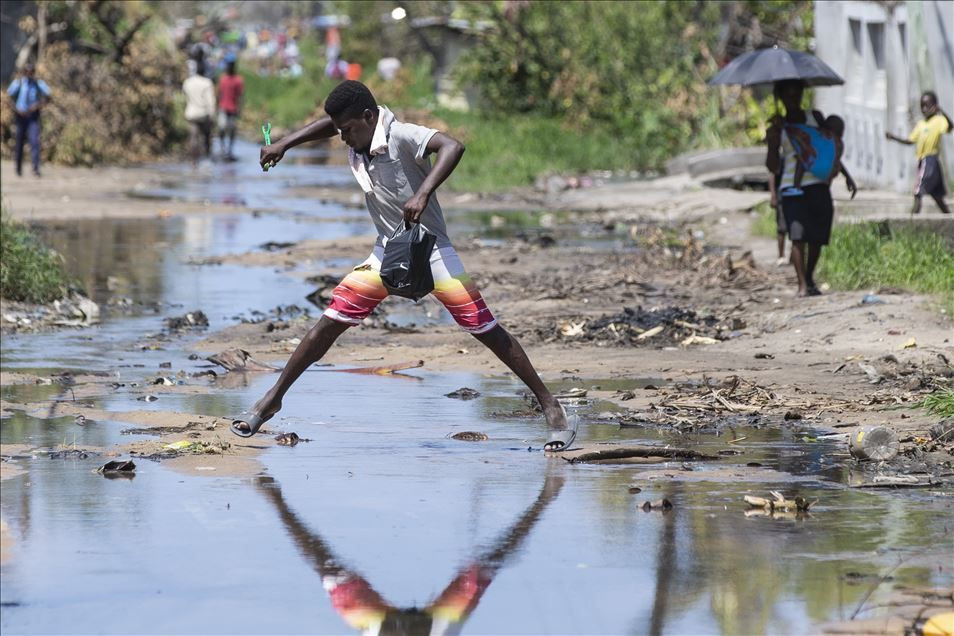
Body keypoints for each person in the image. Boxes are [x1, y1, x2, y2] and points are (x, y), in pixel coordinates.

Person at [232, 80, 574, 451]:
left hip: (431, 248)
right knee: (329, 323)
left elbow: (452, 146)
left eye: (347, 131)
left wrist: (423, 192)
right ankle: (272, 399)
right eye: (339, 131)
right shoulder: (357, 132)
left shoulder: (403, 136)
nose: (342, 138)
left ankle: (550, 406)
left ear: (368, 117)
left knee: (484, 327)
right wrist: (284, 144)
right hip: (387, 251)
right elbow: (329, 125)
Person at [766, 79, 857, 297]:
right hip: (791, 187)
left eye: (796, 93)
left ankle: (809, 276)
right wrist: (772, 142)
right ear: (780, 97)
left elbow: (829, 146)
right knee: (797, 236)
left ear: (801, 94)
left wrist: (845, 174)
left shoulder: (814, 118)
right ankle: (802, 285)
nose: (792, 99)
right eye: (787, 95)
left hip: (818, 183)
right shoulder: (778, 127)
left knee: (817, 236)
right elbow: (772, 165)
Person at [886, 91, 952, 215]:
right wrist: (894, 137)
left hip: (930, 160)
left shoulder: (939, 120)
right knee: (937, 196)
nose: (924, 109)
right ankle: (949, 216)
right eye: (922, 106)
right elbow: (910, 140)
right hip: (923, 160)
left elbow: (950, 127)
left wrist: (942, 111)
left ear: (935, 105)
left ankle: (912, 217)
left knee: (918, 190)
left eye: (927, 105)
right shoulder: (921, 124)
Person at [7, 63, 51, 177]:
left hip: (32, 117)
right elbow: (9, 97)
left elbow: (48, 97)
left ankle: (35, 169)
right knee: (19, 143)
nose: (29, 74)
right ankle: (18, 169)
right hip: (20, 116)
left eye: (31, 72)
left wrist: (37, 105)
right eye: (27, 72)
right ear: (24, 72)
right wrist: (16, 109)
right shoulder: (19, 83)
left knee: (34, 142)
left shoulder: (38, 83)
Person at [789, 114, 845, 195]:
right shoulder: (840, 144)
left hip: (816, 165)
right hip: (830, 171)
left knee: (801, 159)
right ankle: (826, 187)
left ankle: (796, 186)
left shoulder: (824, 137)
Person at [182, 60, 216, 166]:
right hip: (203, 113)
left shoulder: (187, 82)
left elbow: (185, 98)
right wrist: (212, 115)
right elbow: (211, 101)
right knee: (206, 136)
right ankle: (207, 158)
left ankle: (193, 161)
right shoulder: (207, 83)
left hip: (191, 113)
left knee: (193, 137)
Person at [217, 53, 244, 161]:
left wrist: (240, 109)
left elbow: (241, 96)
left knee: (232, 129)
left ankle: (230, 150)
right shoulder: (222, 79)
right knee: (222, 128)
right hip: (223, 108)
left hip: (233, 109)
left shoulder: (238, 80)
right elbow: (218, 94)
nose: (230, 66)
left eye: (231, 64)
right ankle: (223, 148)